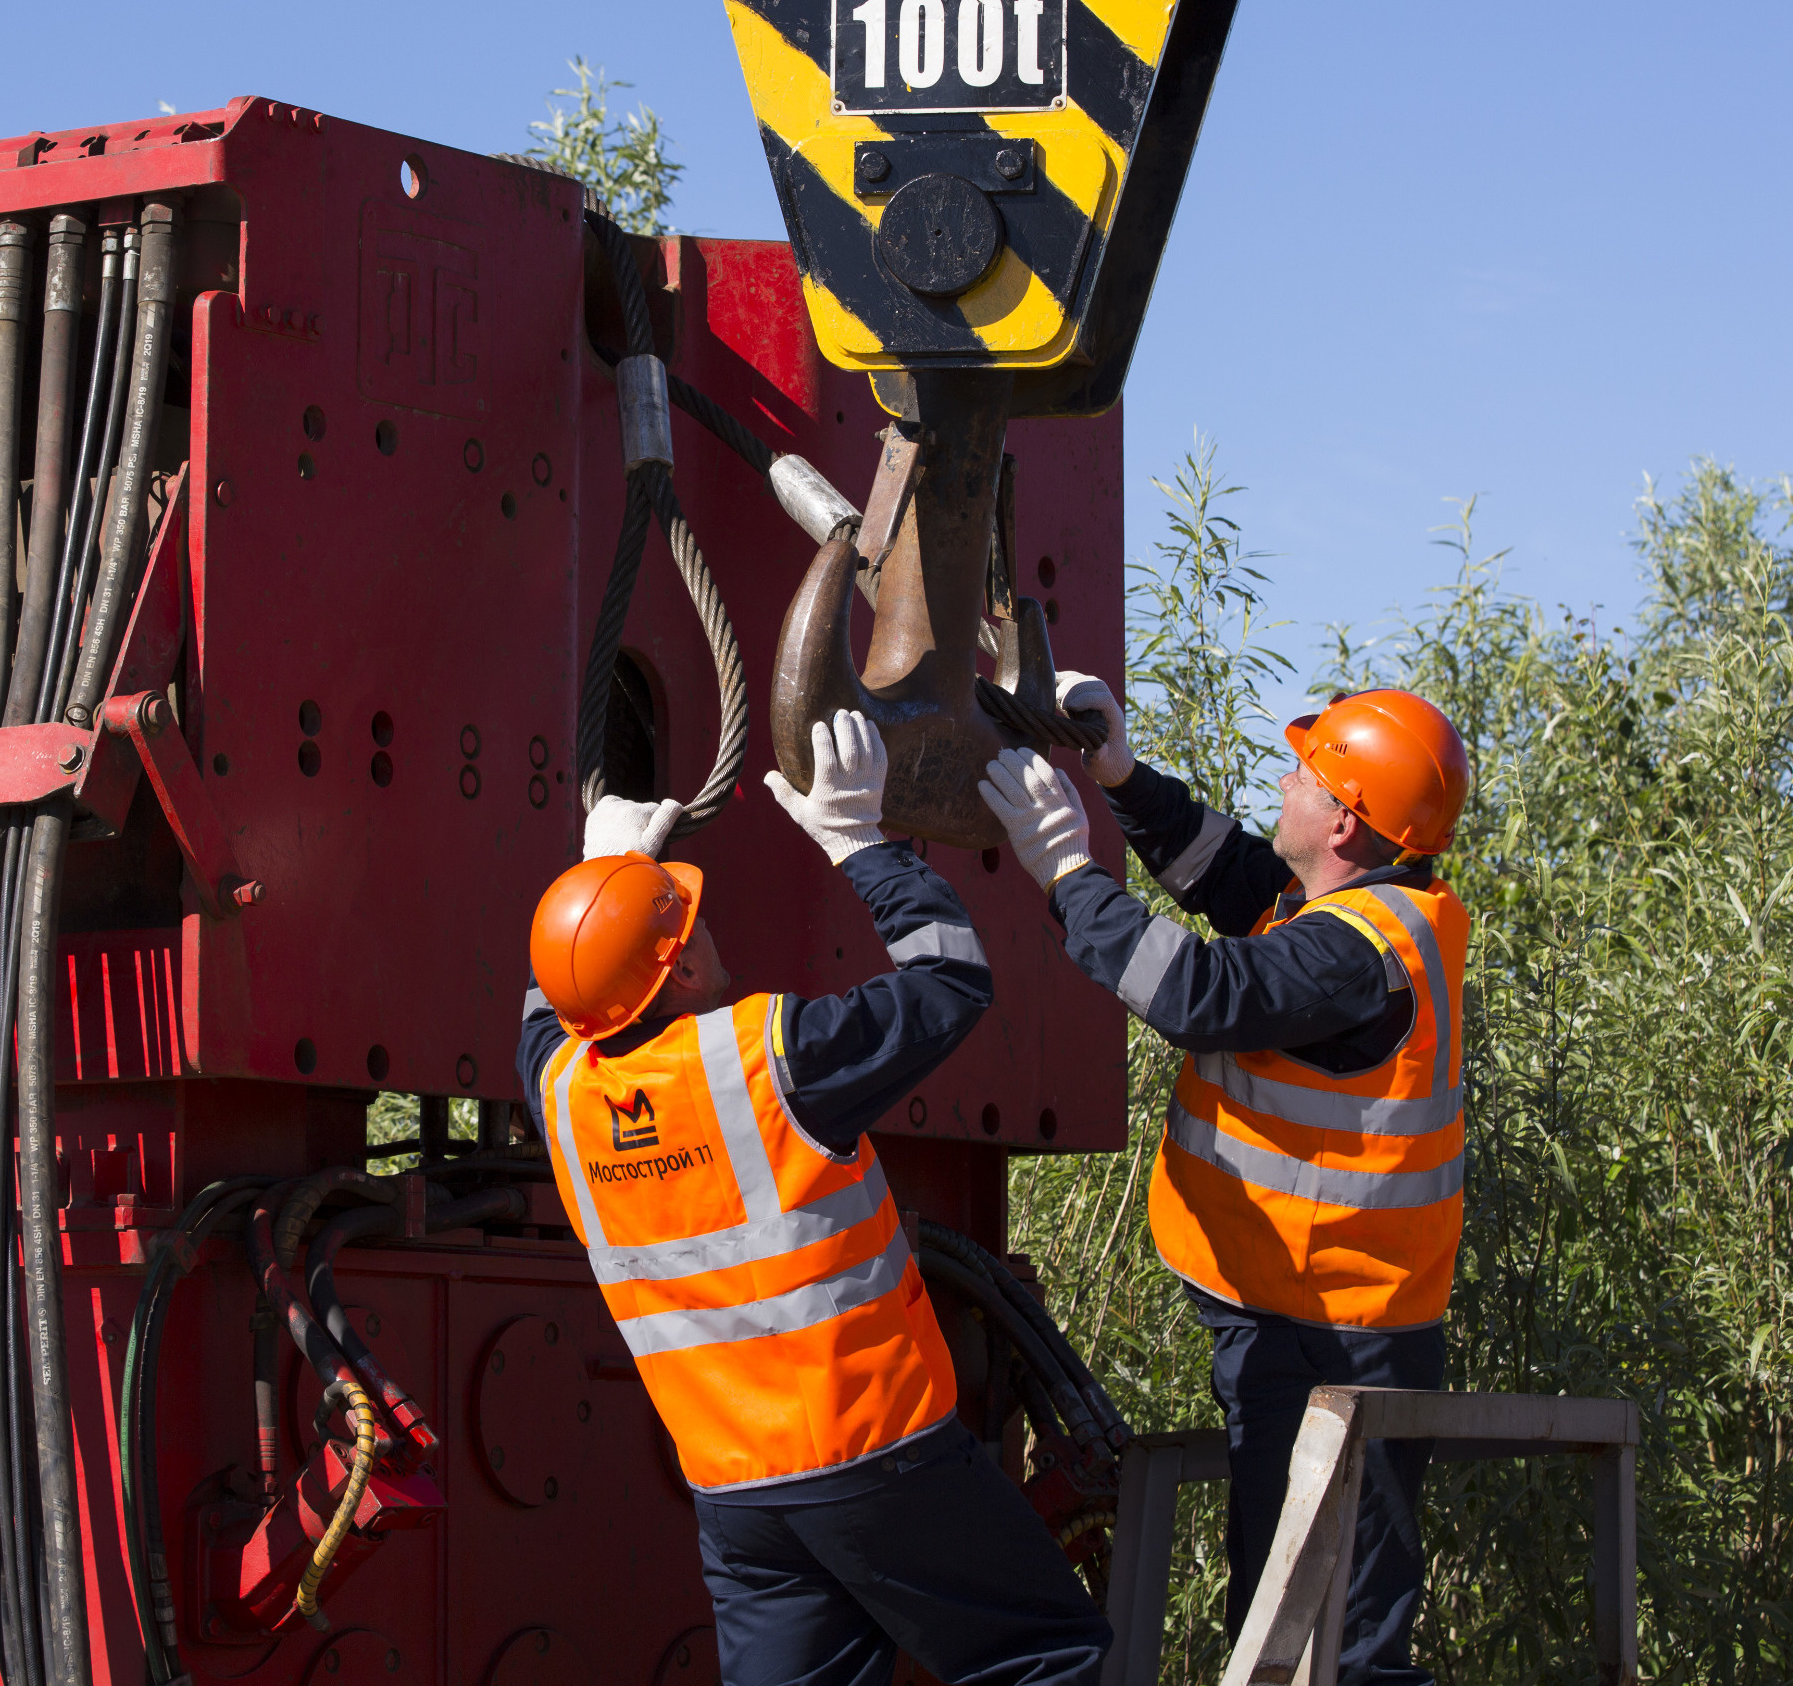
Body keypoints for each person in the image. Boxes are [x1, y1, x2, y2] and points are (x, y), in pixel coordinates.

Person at [516, 710, 1111, 1686]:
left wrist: (599, 875)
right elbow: (952, 978)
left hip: (739, 1498)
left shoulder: (561, 1095)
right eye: (683, 912)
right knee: (1049, 1653)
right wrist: (858, 840)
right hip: (876, 1458)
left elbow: (552, 1000)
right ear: (686, 964)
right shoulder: (766, 1059)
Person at [976, 679, 1473, 1686]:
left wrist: (1068, 872)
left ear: (1344, 817)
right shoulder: (1334, 907)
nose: (1281, 780)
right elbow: (1226, 868)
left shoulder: (1355, 951)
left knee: (1345, 1651)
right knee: (1284, 1622)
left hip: (1346, 1335)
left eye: (1302, 771)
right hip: (1299, 1317)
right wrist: (1117, 770)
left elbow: (1202, 992)